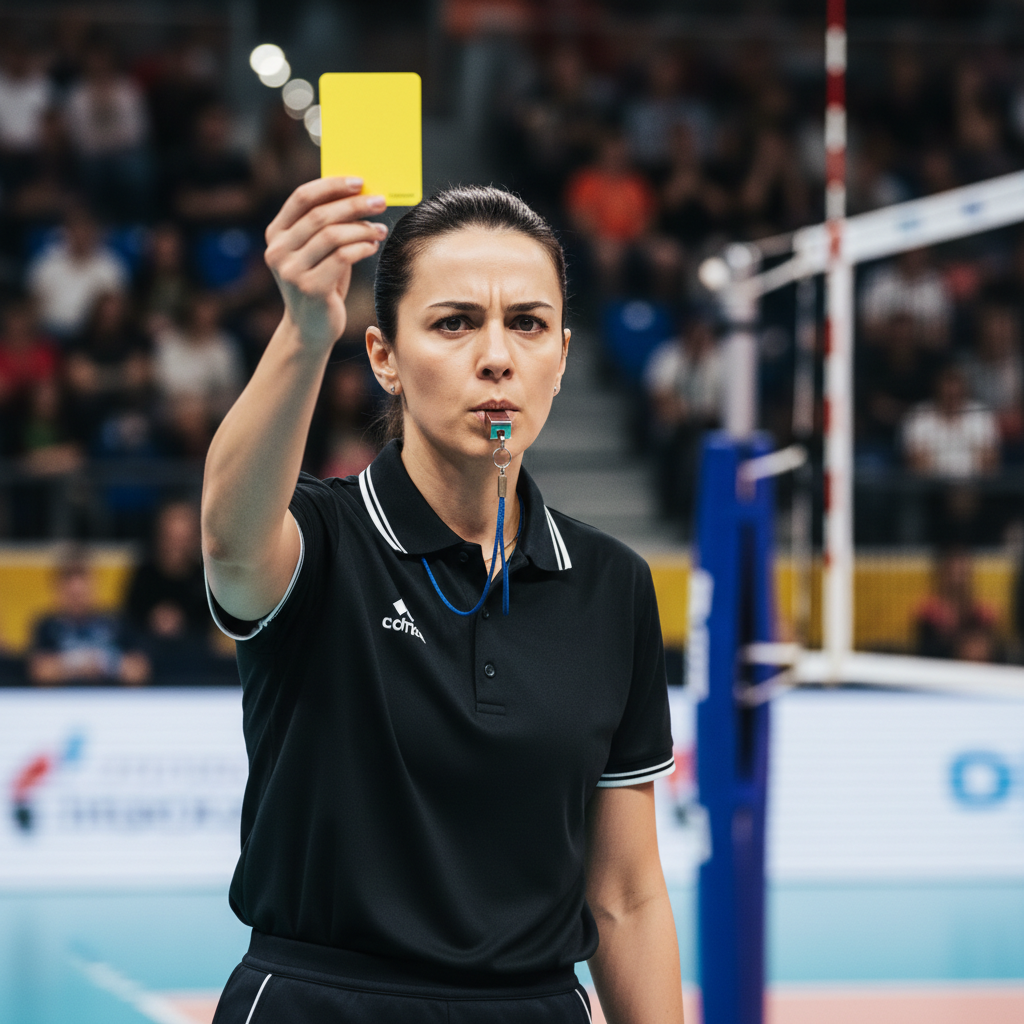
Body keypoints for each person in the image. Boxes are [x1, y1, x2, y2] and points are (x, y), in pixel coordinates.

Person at [202, 178, 683, 1022]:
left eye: (527, 324)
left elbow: (626, 895)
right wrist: (307, 331)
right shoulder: (320, 539)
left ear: (563, 358)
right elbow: (230, 544)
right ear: (384, 357)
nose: (496, 355)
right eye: (455, 323)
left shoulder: (613, 585)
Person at [29, 552, 150, 686]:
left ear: (95, 586)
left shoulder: (117, 622)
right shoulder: (47, 626)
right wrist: (78, 663)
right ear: (58, 591)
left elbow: (139, 671)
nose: (77, 600)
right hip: (63, 702)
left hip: (111, 701)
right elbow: (41, 672)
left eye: (81, 594)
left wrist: (105, 663)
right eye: (72, 595)